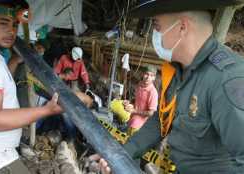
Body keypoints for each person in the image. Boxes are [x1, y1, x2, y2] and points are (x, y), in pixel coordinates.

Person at [90, 0, 244, 173]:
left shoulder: (227, 79)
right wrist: (121, 154)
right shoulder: (176, 72)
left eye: (156, 26)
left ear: (182, 27)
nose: (153, 35)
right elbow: (161, 120)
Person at [0, 3, 63, 174]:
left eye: (15, 25)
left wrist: (14, 61)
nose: (11, 31)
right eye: (3, 23)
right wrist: (47, 110)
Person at [124, 65, 158, 136]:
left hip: (139, 127)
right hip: (131, 120)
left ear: (154, 78)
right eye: (147, 74)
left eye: (151, 75)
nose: (148, 77)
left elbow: (151, 113)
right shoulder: (139, 85)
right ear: (143, 74)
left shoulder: (153, 92)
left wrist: (134, 111)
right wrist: (129, 103)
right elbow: (137, 101)